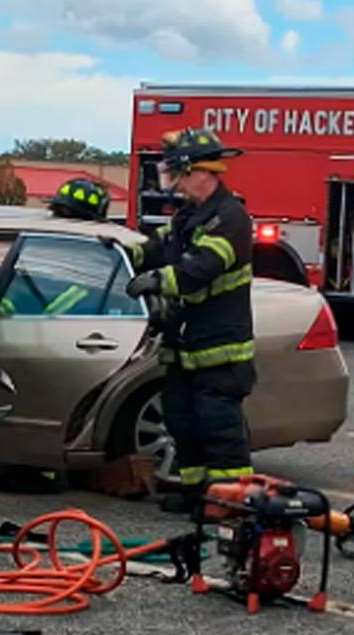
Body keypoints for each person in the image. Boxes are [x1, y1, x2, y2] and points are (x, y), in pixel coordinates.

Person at [124, 127, 255, 513]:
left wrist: (155, 280)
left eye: (180, 174)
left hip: (220, 348)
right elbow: (158, 246)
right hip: (186, 347)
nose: (176, 184)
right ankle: (196, 492)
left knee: (220, 428)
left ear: (202, 172)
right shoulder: (190, 216)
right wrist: (126, 253)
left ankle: (230, 501)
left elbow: (199, 271)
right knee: (182, 420)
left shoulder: (230, 218)